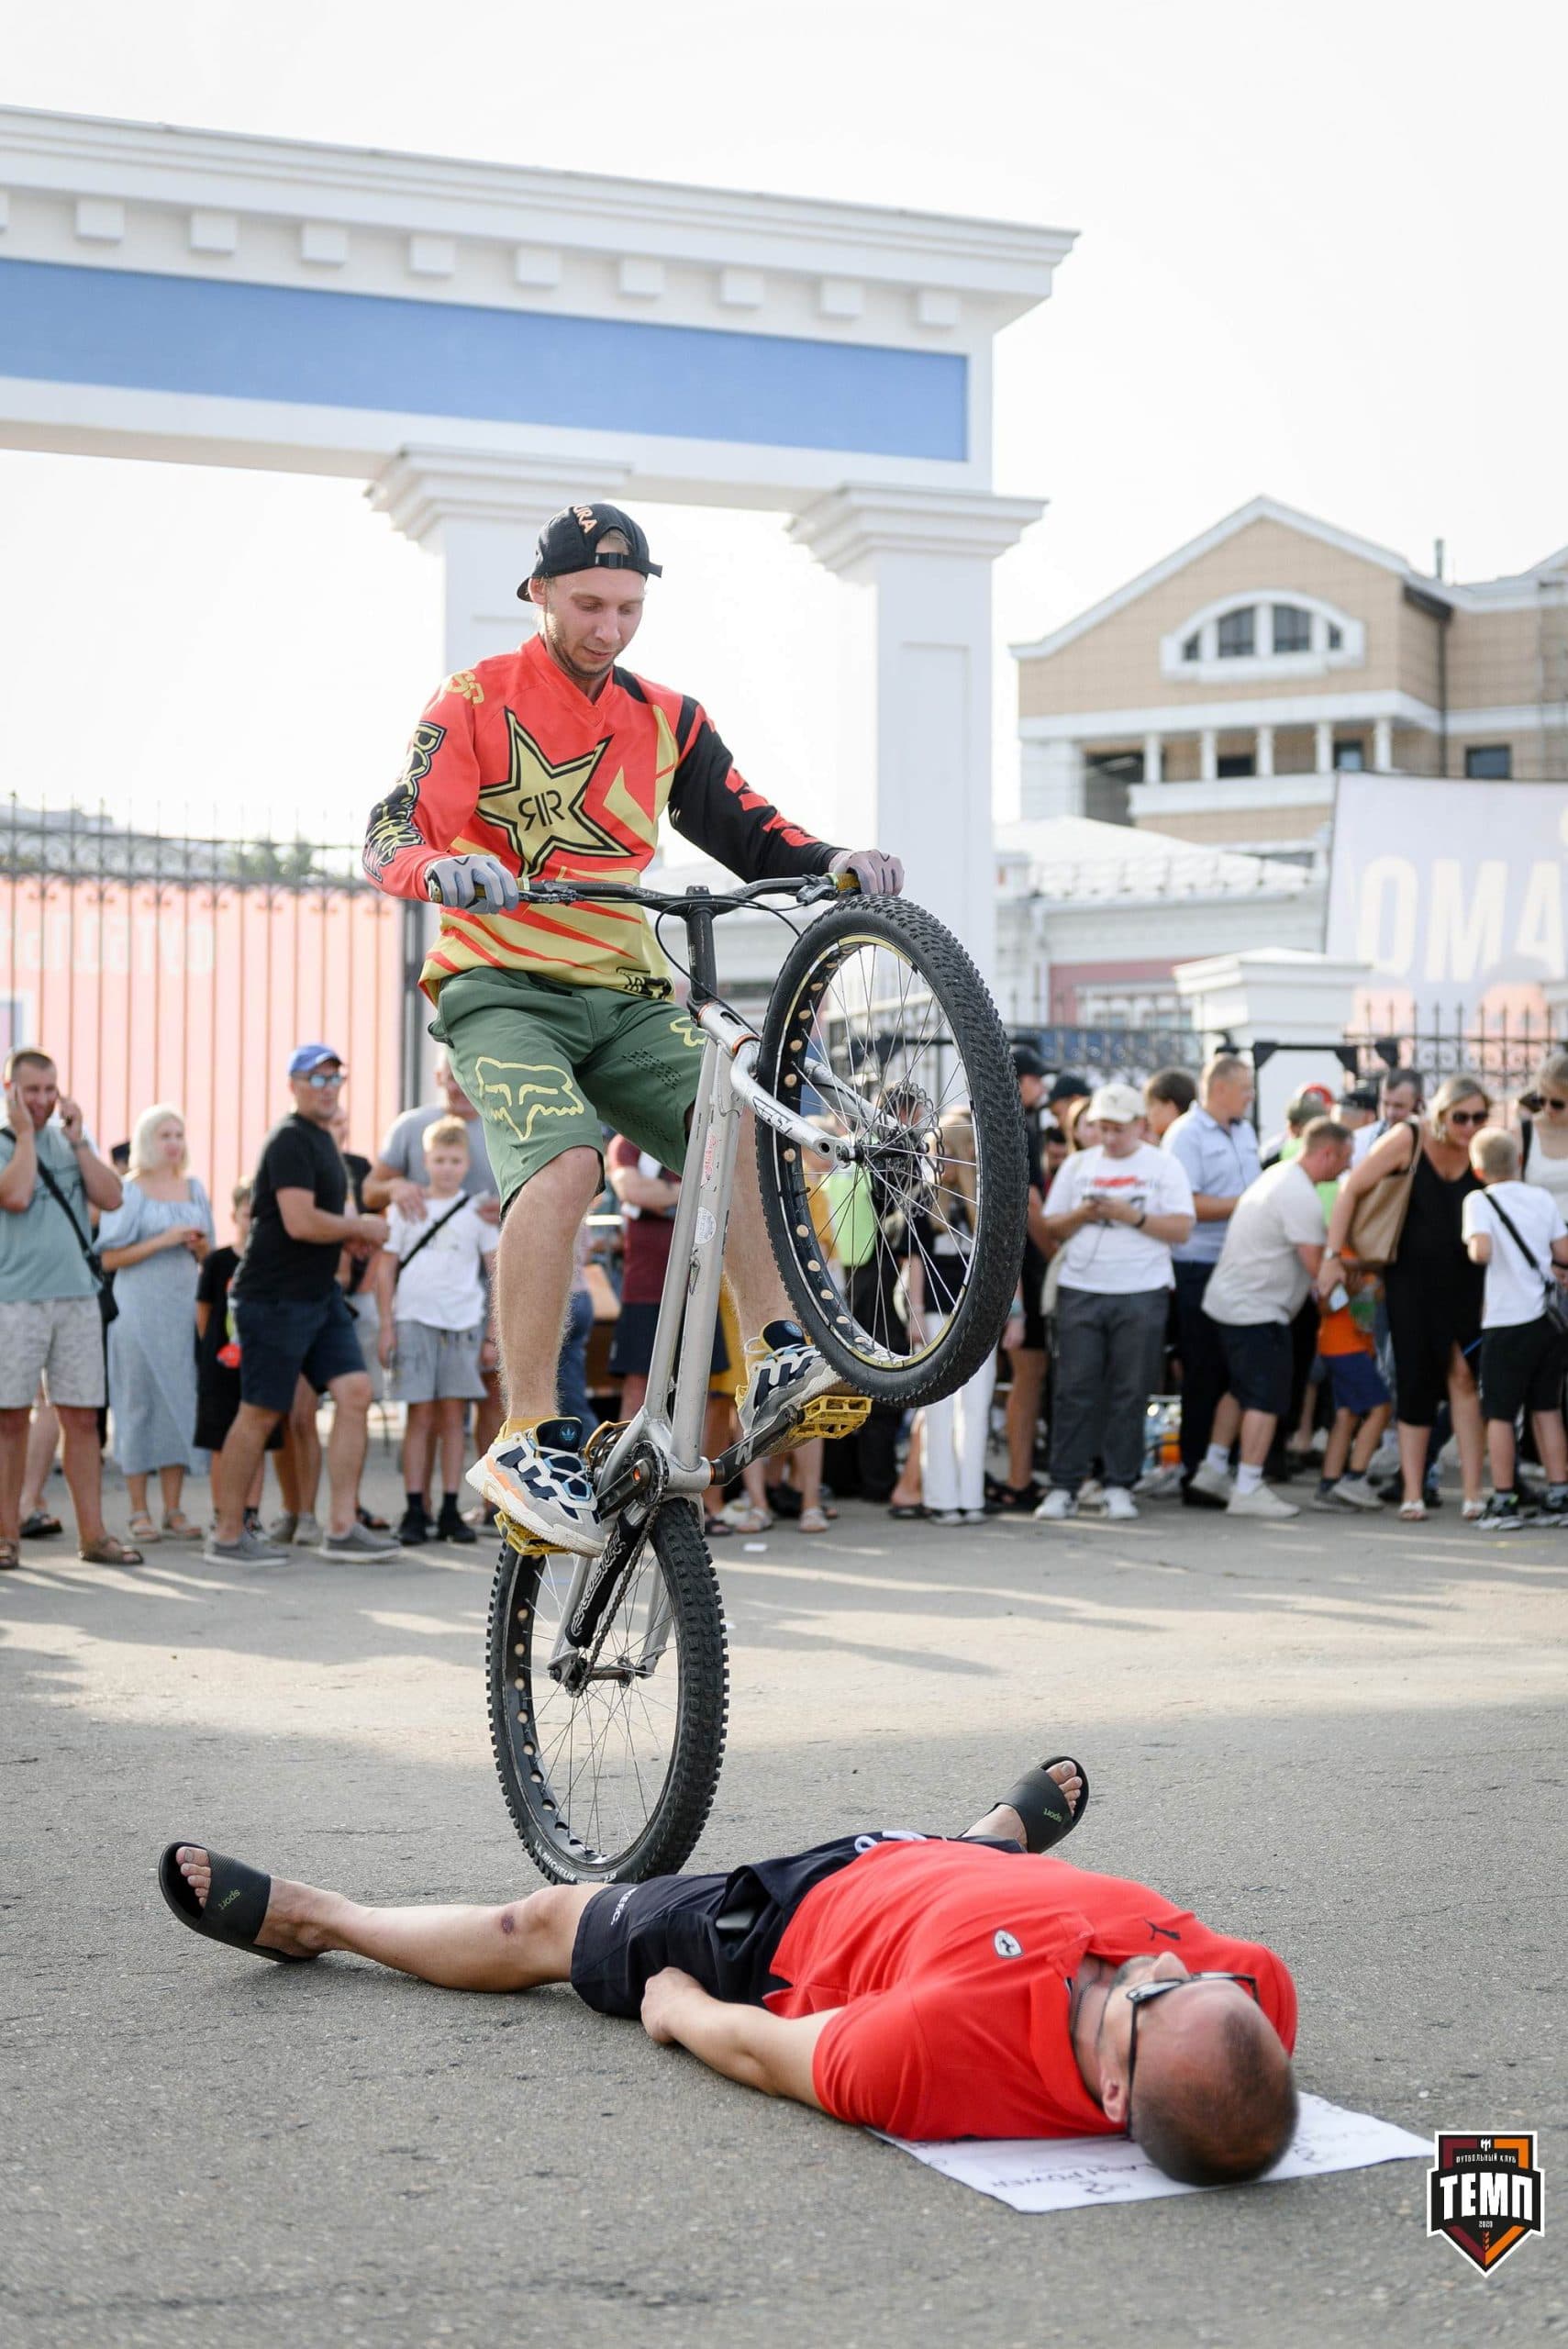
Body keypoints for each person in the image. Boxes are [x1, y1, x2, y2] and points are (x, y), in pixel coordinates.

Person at [362, 500, 902, 1556]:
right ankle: (524, 1431)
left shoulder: (666, 716)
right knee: (563, 1170)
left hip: (621, 988)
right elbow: (395, 825)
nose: (608, 627)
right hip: (501, 984)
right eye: (587, 604)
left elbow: (751, 828)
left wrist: (832, 859)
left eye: (627, 606)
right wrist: (438, 869)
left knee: (738, 1111)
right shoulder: (475, 697)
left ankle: (778, 1350)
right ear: (540, 595)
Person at [161, 1752, 1298, 2184]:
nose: (1157, 1967)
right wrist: (1188, 1985)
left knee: (543, 1925)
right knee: (969, 1865)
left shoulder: (929, 2058)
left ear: (1109, 2099)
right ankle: (986, 1834)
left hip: (787, 1920)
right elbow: (1217, 2005)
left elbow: (770, 2050)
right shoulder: (1242, 1993)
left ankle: (321, 1919)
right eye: (1186, 1976)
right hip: (934, 1871)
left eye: (1149, 1998)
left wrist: (682, 2009)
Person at [206, 1044, 395, 1565]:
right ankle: (226, 1536)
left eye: (336, 1077)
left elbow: (319, 1226)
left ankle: (340, 1526)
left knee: (355, 1393)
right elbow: (299, 1222)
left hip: (318, 1295)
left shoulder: (321, 1141)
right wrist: (358, 1227)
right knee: (262, 1411)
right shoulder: (289, 1140)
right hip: (272, 1298)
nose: (329, 1086)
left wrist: (349, 1239)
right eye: (317, 1077)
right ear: (293, 1085)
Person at [1323, 1072, 1488, 1524]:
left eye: (1479, 1117)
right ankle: (1412, 1491)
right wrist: (1333, 1255)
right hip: (1410, 1281)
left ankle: (1474, 1493)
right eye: (1461, 1117)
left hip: (1467, 1282)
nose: (1470, 1126)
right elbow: (1351, 1189)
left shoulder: (1482, 1150)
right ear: (1440, 1114)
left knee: (1463, 1379)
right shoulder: (1408, 1139)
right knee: (1414, 1381)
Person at [0, 1048, 140, 1569]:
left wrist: (78, 1140)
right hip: (14, 1300)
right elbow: (14, 1195)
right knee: (10, 1420)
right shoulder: (7, 1142)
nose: (40, 1100)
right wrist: (27, 1136)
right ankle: (5, 1535)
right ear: (11, 1088)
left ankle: (93, 1535)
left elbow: (113, 1197)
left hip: (78, 1298)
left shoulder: (70, 1142)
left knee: (82, 1419)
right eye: (31, 1090)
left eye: (49, 1090)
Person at [1034, 1083, 1195, 1524]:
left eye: (1118, 1129)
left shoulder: (1163, 1165)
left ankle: (1119, 1483)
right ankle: (1064, 1485)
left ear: (1141, 1126)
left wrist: (1132, 1216)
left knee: (1130, 1390)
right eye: (1102, 1128)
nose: (1108, 1138)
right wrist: (1085, 1214)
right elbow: (1050, 1225)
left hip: (1142, 1290)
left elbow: (1182, 1228)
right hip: (1082, 1288)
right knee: (1073, 1390)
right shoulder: (1079, 1164)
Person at [1200, 1119, 1354, 1521]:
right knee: (1266, 1399)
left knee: (1240, 1390)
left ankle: (1214, 1469)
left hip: (1233, 1302)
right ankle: (1248, 1485)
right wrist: (1344, 1283)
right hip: (1257, 1309)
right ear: (1327, 1153)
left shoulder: (1277, 1176)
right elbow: (1317, 1269)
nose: (1346, 1168)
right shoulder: (1299, 1194)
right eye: (1346, 1158)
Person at [364, 1053, 505, 1467]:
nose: (458, 1088)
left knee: (493, 1396)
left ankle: (489, 1505)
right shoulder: (411, 1127)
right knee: (426, 1407)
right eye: (450, 1078)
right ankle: (420, 1505)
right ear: (437, 1077)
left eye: (466, 1077)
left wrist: (512, 1206)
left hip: (488, 1286)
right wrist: (397, 1188)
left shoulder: (503, 1126)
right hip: (424, 1296)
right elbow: (370, 1189)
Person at [373, 1115, 498, 1547]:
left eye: (455, 1160)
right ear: (425, 1161)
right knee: (419, 1416)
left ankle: (449, 1505)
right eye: (439, 1159)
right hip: (414, 1320)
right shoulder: (406, 1208)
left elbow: (495, 1270)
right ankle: (414, 1506)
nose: (447, 1167)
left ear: (466, 1164)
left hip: (462, 1323)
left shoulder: (477, 1212)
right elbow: (385, 1268)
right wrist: (386, 1325)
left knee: (452, 1419)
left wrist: (491, 1334)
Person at [95, 1105, 213, 1543]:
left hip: (181, 1307)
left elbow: (211, 1255)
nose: (173, 1143)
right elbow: (107, 1257)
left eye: (179, 1134)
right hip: (137, 1310)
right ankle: (138, 1510)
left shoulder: (194, 1188)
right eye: (164, 1134)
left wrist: (198, 1247)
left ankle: (175, 1508)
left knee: (179, 1401)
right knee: (137, 1403)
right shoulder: (129, 1191)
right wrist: (162, 1240)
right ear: (147, 1140)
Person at [1163, 1054, 1262, 1504]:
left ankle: (1224, 1465)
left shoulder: (1244, 1129)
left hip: (1239, 1262)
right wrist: (1250, 1204)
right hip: (1197, 1266)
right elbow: (1186, 1204)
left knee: (1235, 1367)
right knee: (1202, 1368)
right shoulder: (1185, 1134)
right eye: (1245, 1087)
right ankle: (1194, 1469)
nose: (1251, 1096)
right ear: (1218, 1088)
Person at [1462, 1125, 1568, 1528]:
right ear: (1519, 1162)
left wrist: (1475, 1246)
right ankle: (1560, 1495)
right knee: (1547, 1408)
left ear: (1477, 1168)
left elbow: (1481, 1250)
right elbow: (1563, 1252)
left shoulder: (1478, 1200)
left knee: (1501, 1413)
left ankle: (1504, 1499)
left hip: (1506, 1320)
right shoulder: (1540, 1197)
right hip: (1547, 1320)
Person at [195, 1182, 281, 1531]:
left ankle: (250, 1513)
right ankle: (223, 1512)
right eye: (249, 1215)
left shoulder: (273, 1263)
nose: (255, 1222)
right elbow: (204, 1312)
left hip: (261, 1365)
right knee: (221, 1443)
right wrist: (214, 1350)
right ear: (234, 1217)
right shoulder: (218, 1261)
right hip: (222, 1367)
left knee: (256, 1441)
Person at [996, 1046, 1051, 1512]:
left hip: (984, 1264)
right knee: (1027, 1377)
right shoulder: (1021, 1125)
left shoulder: (979, 1119)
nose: (1042, 1089)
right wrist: (1054, 1252)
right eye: (1037, 1079)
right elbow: (1029, 1205)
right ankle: (1019, 1477)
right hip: (1023, 1264)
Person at [1307, 1251, 1391, 1512]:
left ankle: (1328, 1486)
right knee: (1381, 1408)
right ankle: (1355, 1478)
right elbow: (1324, 1305)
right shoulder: (1341, 1257)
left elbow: (1375, 1298)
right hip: (1343, 1347)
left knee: (1347, 1415)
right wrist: (1350, 1292)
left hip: (1355, 1346)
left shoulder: (1369, 1258)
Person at [1516, 1053, 1568, 1217]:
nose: (1547, 1109)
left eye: (1557, 1104)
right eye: (1540, 1101)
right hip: (1537, 1237)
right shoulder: (1524, 1133)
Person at [1350, 1067, 1423, 1167]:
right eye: (1385, 1104)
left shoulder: (1432, 1144)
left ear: (1417, 1104)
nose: (1390, 1113)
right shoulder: (1359, 1141)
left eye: (1399, 1106)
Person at [1143, 1067, 1196, 1141]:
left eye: (1151, 1104)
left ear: (1170, 1107)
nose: (1147, 1114)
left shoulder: (1179, 1142)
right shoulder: (1196, 1136)